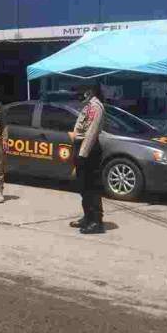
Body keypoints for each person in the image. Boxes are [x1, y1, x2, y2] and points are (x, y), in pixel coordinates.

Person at [70, 83, 105, 234]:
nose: (78, 94)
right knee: (83, 186)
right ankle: (88, 216)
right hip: (82, 147)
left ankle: (96, 222)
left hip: (89, 150)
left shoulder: (96, 106)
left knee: (91, 186)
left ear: (89, 91)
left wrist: (83, 154)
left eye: (81, 91)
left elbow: (92, 132)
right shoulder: (87, 106)